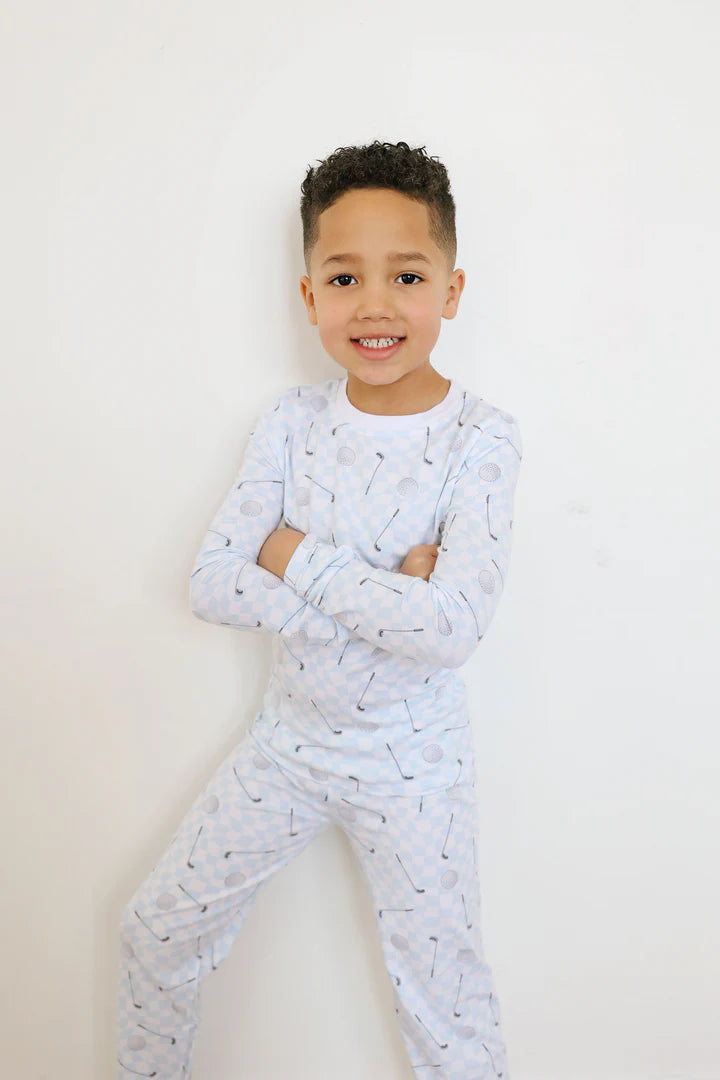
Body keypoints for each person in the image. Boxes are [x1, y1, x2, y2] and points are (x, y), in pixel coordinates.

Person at [116, 139, 523, 1080]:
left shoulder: (482, 441)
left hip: (415, 771)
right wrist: (393, 590)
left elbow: (450, 630)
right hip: (286, 751)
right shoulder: (291, 424)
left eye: (406, 276)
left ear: (451, 290)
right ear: (310, 296)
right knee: (155, 929)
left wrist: (292, 551)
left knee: (445, 1002)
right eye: (345, 278)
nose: (374, 304)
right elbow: (212, 582)